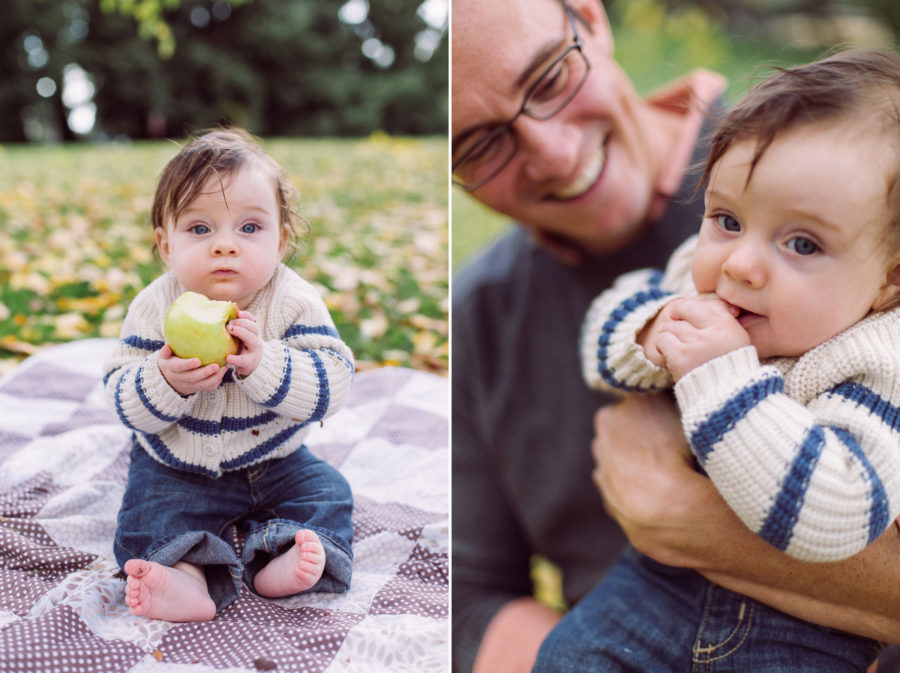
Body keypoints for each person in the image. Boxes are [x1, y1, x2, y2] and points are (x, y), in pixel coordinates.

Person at [451, 1, 900, 672]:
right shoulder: (488, 309)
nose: (554, 152)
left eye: (548, 79)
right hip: (632, 610)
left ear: (592, 19)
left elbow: (846, 502)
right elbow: (467, 597)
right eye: (480, 145)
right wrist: (656, 329)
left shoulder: (853, 183)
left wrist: (685, 515)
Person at [103, 127, 356, 622]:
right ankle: (187, 576)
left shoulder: (292, 300)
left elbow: (334, 383)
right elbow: (121, 398)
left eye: (249, 228)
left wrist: (265, 365)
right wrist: (166, 380)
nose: (224, 246)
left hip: (277, 458)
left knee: (328, 494)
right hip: (178, 463)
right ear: (165, 245)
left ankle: (280, 555)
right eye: (200, 229)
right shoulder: (155, 307)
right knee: (145, 515)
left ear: (281, 241)